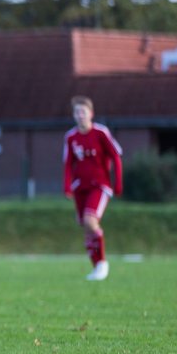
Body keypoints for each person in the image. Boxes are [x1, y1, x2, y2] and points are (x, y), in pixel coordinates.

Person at [63, 96, 122, 281]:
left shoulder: (100, 133)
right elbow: (68, 164)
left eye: (83, 112)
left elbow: (116, 156)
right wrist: (67, 185)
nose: (80, 115)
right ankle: (96, 266)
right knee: (85, 226)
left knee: (90, 220)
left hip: (100, 185)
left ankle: (103, 263)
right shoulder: (71, 137)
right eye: (77, 112)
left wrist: (118, 182)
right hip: (81, 186)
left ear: (91, 114)